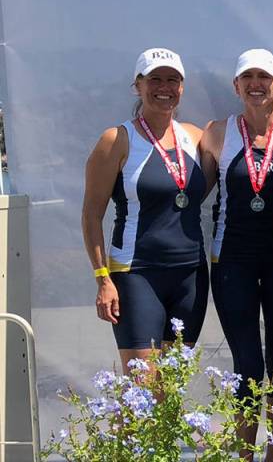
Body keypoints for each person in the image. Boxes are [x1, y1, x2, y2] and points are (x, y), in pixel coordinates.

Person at [198, 49, 273, 461]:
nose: (256, 84)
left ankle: (272, 456)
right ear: (236, 86)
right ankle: (244, 456)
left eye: (264, 76)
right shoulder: (217, 133)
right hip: (232, 260)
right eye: (247, 77)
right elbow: (192, 196)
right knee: (247, 363)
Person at [81, 48, 207, 374]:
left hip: (191, 274)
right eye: (155, 79)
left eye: (172, 80)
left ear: (182, 87)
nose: (164, 87)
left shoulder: (195, 137)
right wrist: (102, 279)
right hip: (136, 274)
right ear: (138, 85)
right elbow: (91, 215)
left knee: (172, 387)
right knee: (142, 389)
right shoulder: (117, 140)